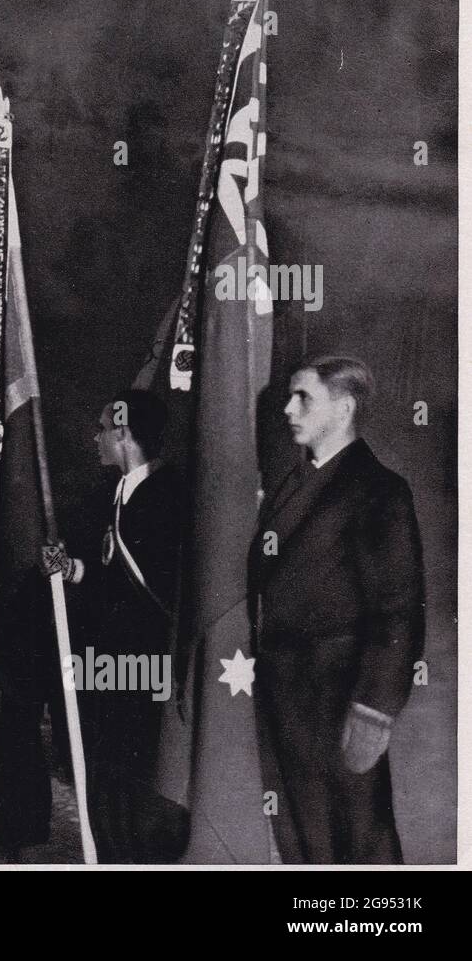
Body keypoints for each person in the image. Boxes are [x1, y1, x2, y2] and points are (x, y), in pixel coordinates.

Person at [252, 356, 424, 863]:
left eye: (303, 397)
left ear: (344, 408)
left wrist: (374, 711)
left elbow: (398, 612)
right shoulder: (295, 482)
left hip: (342, 695)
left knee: (360, 837)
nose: (288, 409)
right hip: (291, 691)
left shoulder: (379, 490)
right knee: (309, 836)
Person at [43, 388, 188, 863]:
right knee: (101, 769)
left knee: (137, 772)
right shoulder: (109, 494)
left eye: (103, 428)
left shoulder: (170, 494)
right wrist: (72, 571)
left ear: (124, 433)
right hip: (106, 659)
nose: (95, 438)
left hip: (145, 660)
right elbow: (108, 576)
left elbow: (160, 588)